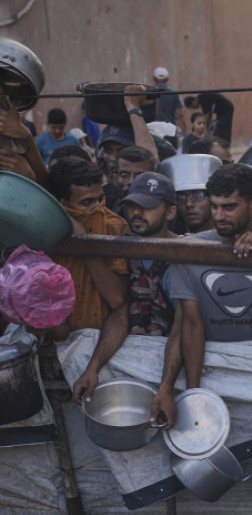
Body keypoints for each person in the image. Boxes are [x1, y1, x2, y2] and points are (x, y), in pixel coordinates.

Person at [149, 164, 252, 425]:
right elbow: (191, 325)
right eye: (214, 206)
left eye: (229, 207)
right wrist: (193, 394)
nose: (219, 215)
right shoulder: (190, 250)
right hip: (212, 373)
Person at [46, 158, 130, 402]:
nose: (96, 208)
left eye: (99, 199)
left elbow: (117, 300)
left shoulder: (114, 225)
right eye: (86, 202)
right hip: (52, 340)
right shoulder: (43, 231)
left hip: (102, 342)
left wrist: (83, 241)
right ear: (62, 203)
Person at [121, 172, 177, 337]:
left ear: (170, 212)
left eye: (147, 205)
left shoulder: (185, 251)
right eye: (131, 205)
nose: (136, 212)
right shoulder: (123, 248)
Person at [104, 145, 158, 216]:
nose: (131, 181)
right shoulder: (105, 210)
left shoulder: (166, 214)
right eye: (124, 175)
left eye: (140, 176)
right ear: (115, 179)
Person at [152, 66, 185, 135]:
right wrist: (183, 136)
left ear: (154, 78)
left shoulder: (146, 93)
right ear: (167, 79)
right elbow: (179, 115)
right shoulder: (174, 94)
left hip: (152, 131)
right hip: (169, 131)